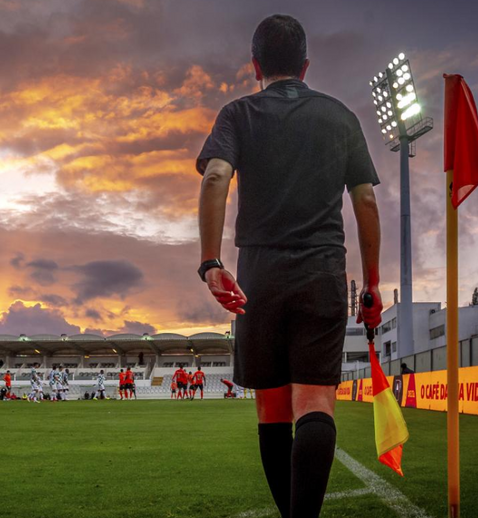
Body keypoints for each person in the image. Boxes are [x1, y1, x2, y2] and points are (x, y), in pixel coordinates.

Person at [195, 14, 382, 518]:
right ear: (305, 65)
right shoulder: (341, 116)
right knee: (316, 404)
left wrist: (211, 263)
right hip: (322, 272)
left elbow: (215, 178)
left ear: (255, 66)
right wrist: (374, 284)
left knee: (273, 411)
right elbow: (365, 201)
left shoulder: (238, 113)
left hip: (258, 275)